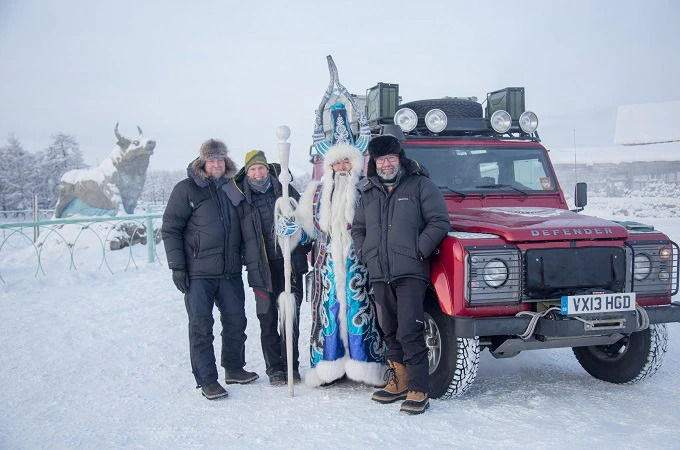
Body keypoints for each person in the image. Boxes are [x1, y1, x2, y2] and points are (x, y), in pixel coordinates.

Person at [351, 135, 450, 415]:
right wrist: (365, 252)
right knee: (389, 329)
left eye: (391, 159)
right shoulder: (368, 192)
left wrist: (419, 250)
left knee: (410, 329)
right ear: (375, 163)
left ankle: (419, 387)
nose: (386, 164)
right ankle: (400, 381)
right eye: (381, 160)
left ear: (399, 159)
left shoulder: (420, 185)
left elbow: (440, 221)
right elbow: (358, 228)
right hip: (380, 272)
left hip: (410, 272)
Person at [161, 139, 258, 401]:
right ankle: (207, 379)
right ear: (203, 161)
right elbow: (170, 228)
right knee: (201, 326)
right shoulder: (187, 189)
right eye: (211, 159)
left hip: (229, 270)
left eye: (220, 159)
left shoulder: (232, 187)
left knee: (236, 321)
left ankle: (234, 368)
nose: (216, 164)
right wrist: (177, 266)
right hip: (198, 272)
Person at [291, 143, 386, 388]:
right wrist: (290, 229)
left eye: (346, 162)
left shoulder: (368, 189)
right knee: (329, 314)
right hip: (327, 266)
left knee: (361, 312)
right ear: (329, 166)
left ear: (355, 164)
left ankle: (366, 365)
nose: (342, 167)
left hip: (360, 264)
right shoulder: (315, 193)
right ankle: (328, 367)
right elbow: (305, 233)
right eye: (337, 163)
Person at [225, 150, 309, 385]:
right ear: (246, 172)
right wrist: (243, 257)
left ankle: (291, 365)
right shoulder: (240, 200)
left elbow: (304, 218)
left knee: (290, 316)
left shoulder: (284, 190)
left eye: (261, 168)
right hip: (260, 268)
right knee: (267, 318)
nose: (258, 172)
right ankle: (274, 368)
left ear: (267, 169)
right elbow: (235, 235)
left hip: (289, 264)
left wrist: (299, 234)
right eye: (253, 169)